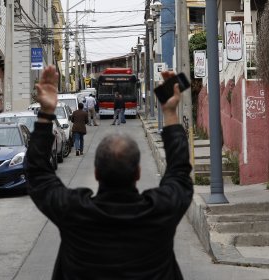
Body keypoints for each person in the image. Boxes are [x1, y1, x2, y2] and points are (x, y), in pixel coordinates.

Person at [26, 65, 193, 280]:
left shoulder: (75, 213)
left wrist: (46, 113)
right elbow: (179, 172)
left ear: (96, 173)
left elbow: (37, 175)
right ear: (138, 173)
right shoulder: (159, 211)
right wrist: (170, 112)